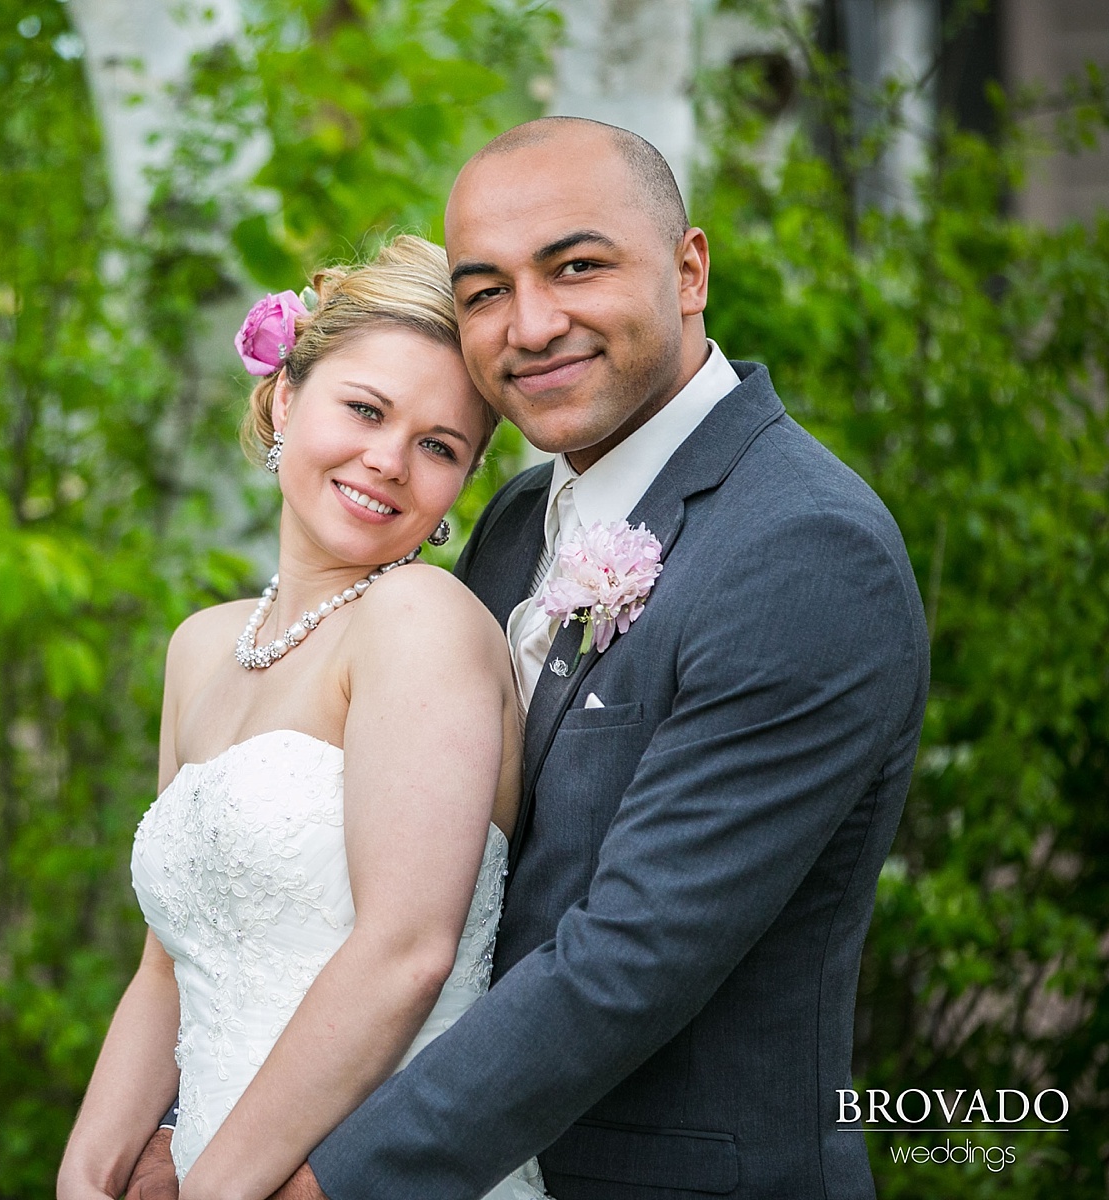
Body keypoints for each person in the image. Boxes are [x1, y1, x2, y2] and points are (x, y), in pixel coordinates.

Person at [118, 117, 930, 1200]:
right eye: (486, 289)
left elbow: (629, 961)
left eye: (577, 266)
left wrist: (321, 1183)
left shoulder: (804, 548)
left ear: (689, 271)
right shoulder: (510, 522)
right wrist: (194, 1119)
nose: (531, 324)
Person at [54, 235, 550, 1200]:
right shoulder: (200, 647)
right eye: (364, 409)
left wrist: (215, 1192)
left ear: (461, 486)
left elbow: (406, 955)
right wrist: (87, 1176)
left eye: (439, 446)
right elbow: (167, 969)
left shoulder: (422, 621)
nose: (388, 461)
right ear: (287, 399)